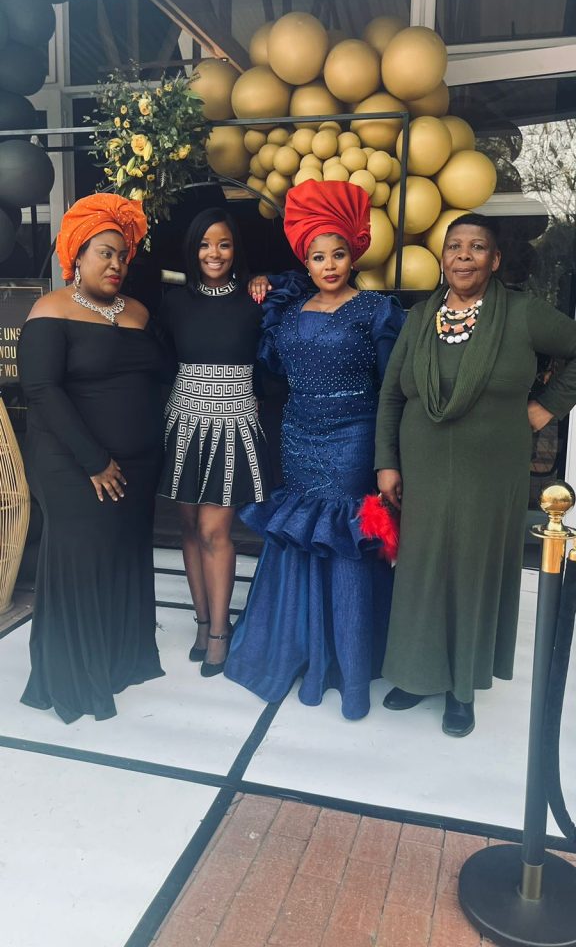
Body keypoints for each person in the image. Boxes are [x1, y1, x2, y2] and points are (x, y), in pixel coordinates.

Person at [376, 213, 576, 737]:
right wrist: (387, 462)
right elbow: (393, 394)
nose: (463, 255)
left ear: (495, 259)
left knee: (472, 569)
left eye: (477, 247)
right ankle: (417, 672)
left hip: (490, 470)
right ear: (443, 257)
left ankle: (461, 687)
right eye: (455, 246)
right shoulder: (421, 317)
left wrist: (546, 407)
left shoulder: (524, 314)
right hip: (422, 468)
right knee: (420, 569)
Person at [224, 179, 405, 720]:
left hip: (353, 437)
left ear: (354, 256)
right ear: (305, 261)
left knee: (344, 537)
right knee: (302, 536)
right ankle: (301, 651)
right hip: (298, 434)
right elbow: (271, 367)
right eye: (318, 256)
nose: (329, 265)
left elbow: (392, 390)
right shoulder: (289, 307)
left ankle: (349, 669)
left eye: (338, 254)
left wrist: (387, 457)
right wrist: (262, 281)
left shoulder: (377, 309)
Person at [17, 193, 166, 723]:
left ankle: (118, 660)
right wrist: (94, 460)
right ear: (77, 255)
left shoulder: (139, 313)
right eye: (105, 253)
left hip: (137, 464)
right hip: (73, 464)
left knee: (123, 556)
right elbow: (42, 390)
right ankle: (73, 678)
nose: (116, 264)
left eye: (122, 255)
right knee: (81, 560)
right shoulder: (50, 310)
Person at [157, 208, 272, 676]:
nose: (214, 253)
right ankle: (203, 622)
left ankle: (221, 631)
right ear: (192, 250)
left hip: (233, 422)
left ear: (235, 249)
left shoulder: (256, 299)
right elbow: (162, 359)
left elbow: (303, 290)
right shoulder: (173, 302)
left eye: (223, 244)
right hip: (184, 422)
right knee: (188, 528)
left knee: (213, 532)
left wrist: (266, 278)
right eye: (205, 244)